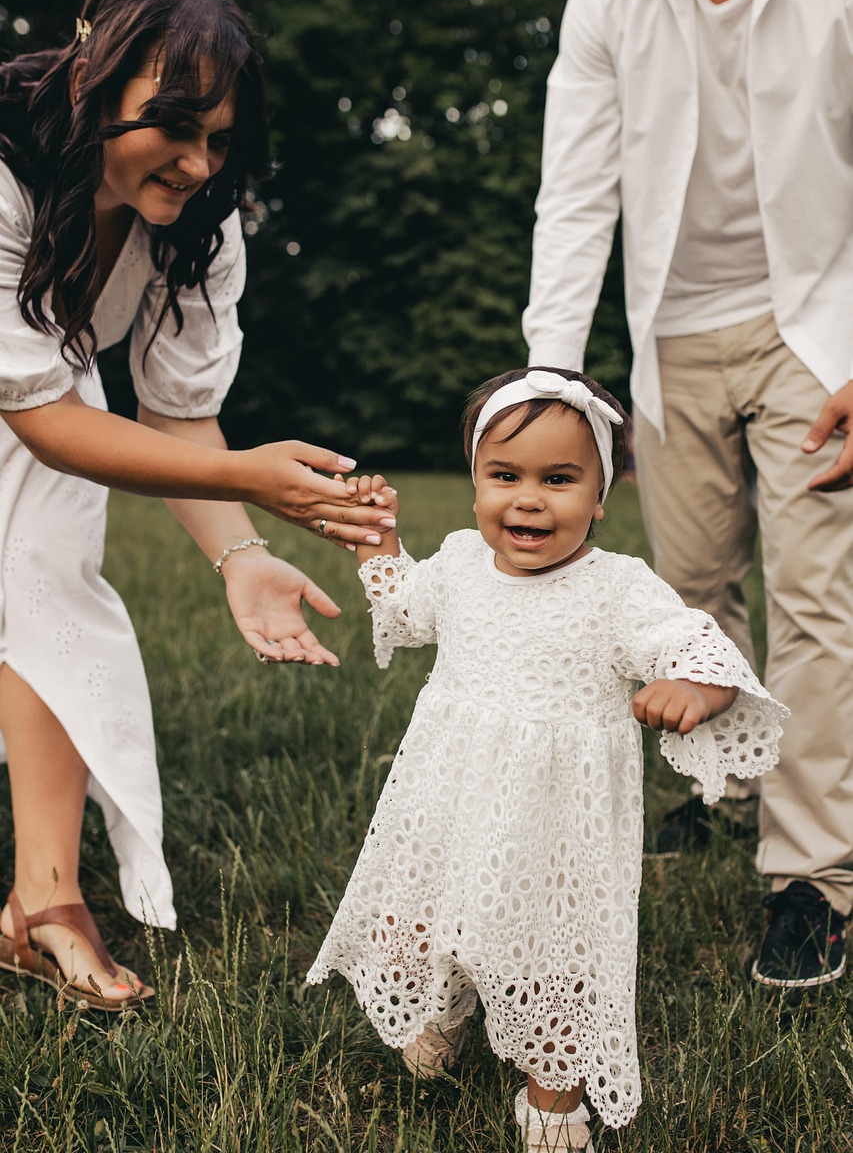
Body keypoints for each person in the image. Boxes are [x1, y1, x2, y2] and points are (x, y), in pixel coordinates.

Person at [0, 0, 395, 1011]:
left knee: (47, 567)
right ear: (92, 80)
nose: (195, 161)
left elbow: (173, 414)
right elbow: (42, 418)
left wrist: (241, 553)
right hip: (28, 396)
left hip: (36, 391)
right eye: (173, 125)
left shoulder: (201, 220)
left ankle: (42, 902)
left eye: (217, 137)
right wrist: (248, 480)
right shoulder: (6, 167)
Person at [307, 368, 784, 1151]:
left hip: (555, 820)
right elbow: (407, 612)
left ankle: (552, 1098)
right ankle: (441, 1008)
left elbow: (699, 647)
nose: (528, 500)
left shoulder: (617, 588)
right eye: (504, 476)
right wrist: (379, 544)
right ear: (474, 484)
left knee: (552, 959)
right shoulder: (460, 562)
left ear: (599, 496)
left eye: (558, 480)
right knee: (427, 908)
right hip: (448, 791)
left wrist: (691, 689)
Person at [523, 0, 853, 990]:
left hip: (818, 326)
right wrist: (553, 381)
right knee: (692, 589)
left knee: (813, 596)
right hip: (668, 333)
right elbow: (576, 193)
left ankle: (811, 877)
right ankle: (728, 785)